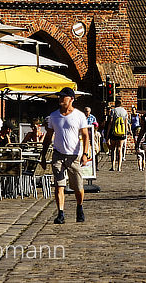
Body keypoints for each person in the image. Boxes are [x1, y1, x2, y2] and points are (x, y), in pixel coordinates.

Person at [41, 87, 92, 224]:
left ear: (71, 99)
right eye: (60, 97)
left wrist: (85, 154)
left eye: (63, 97)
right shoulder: (54, 116)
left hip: (73, 156)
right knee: (59, 185)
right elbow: (49, 136)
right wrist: (43, 154)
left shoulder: (79, 116)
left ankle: (79, 207)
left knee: (78, 187)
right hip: (58, 154)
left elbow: (86, 136)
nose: (60, 99)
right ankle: (60, 213)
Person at [106, 100, 129, 171]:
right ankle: (119, 167)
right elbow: (126, 122)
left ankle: (113, 166)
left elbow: (111, 122)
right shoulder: (124, 111)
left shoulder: (113, 111)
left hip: (114, 132)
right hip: (122, 133)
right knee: (120, 149)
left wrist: (108, 133)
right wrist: (126, 131)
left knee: (113, 149)